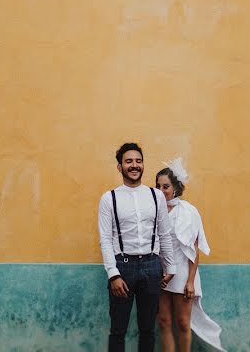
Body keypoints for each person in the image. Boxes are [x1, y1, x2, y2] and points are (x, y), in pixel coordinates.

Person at [98, 142, 177, 352]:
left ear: (143, 165)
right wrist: (113, 275)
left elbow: (164, 233)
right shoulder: (109, 199)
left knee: (148, 330)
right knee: (118, 331)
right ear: (120, 167)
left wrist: (170, 267)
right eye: (129, 161)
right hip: (122, 267)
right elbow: (105, 238)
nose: (134, 165)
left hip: (152, 267)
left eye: (138, 161)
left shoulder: (156, 196)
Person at [155, 159, 226, 352]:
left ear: (176, 188)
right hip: (160, 273)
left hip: (183, 274)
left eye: (166, 186)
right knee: (163, 321)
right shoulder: (154, 211)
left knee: (183, 323)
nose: (161, 190)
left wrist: (191, 281)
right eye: (158, 186)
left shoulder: (189, 212)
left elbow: (194, 249)